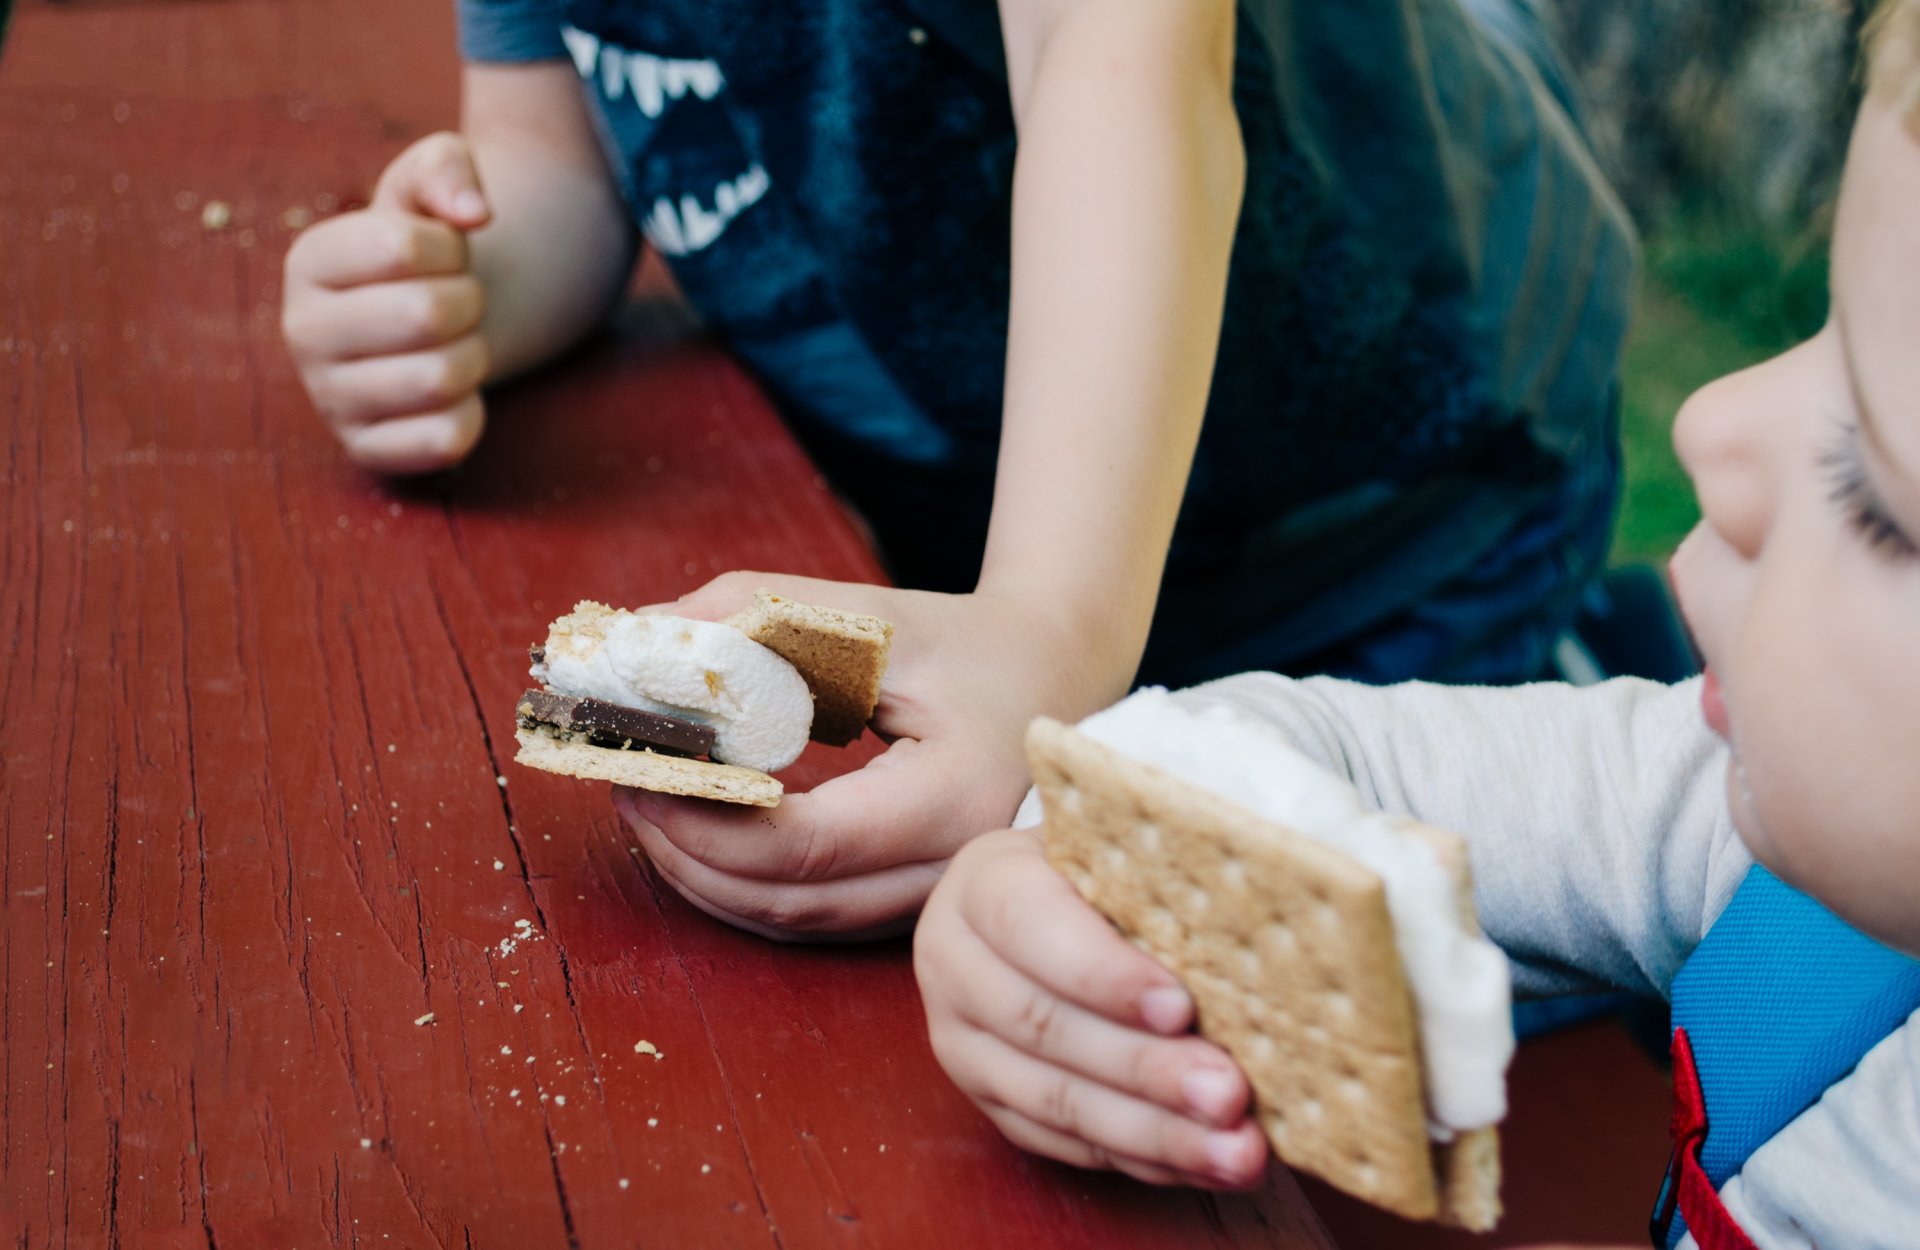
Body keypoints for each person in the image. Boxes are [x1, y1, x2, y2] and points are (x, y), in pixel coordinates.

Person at [281, 0, 1632, 938]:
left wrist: (1048, 624)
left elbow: (1126, 69)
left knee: (1368, 984)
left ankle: (1620, 687)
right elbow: (556, 157)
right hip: (1003, 527)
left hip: (1389, 508)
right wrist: (461, 289)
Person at [912, 6, 1920, 1242]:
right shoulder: (1732, 816)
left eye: (1878, 491)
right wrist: (1063, 882)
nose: (1712, 421)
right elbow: (1299, 764)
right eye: (1819, 331)